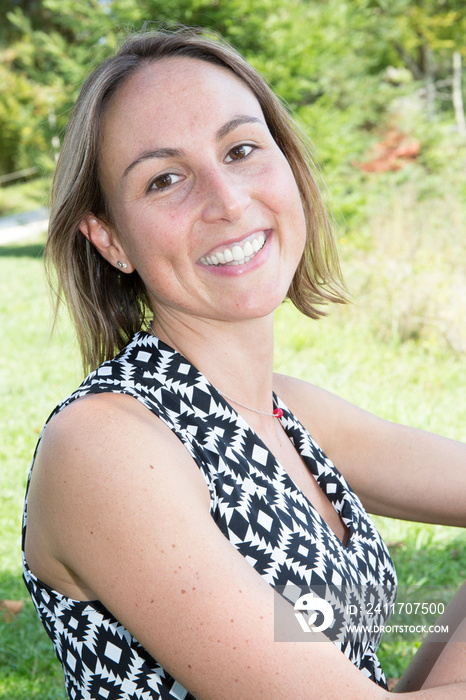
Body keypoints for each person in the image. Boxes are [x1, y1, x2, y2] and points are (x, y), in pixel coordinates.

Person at [22, 26, 466, 700]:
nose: (227, 201)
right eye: (164, 179)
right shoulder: (105, 447)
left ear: (286, 165)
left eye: (241, 150)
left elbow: (336, 632)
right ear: (110, 239)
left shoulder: (288, 412)